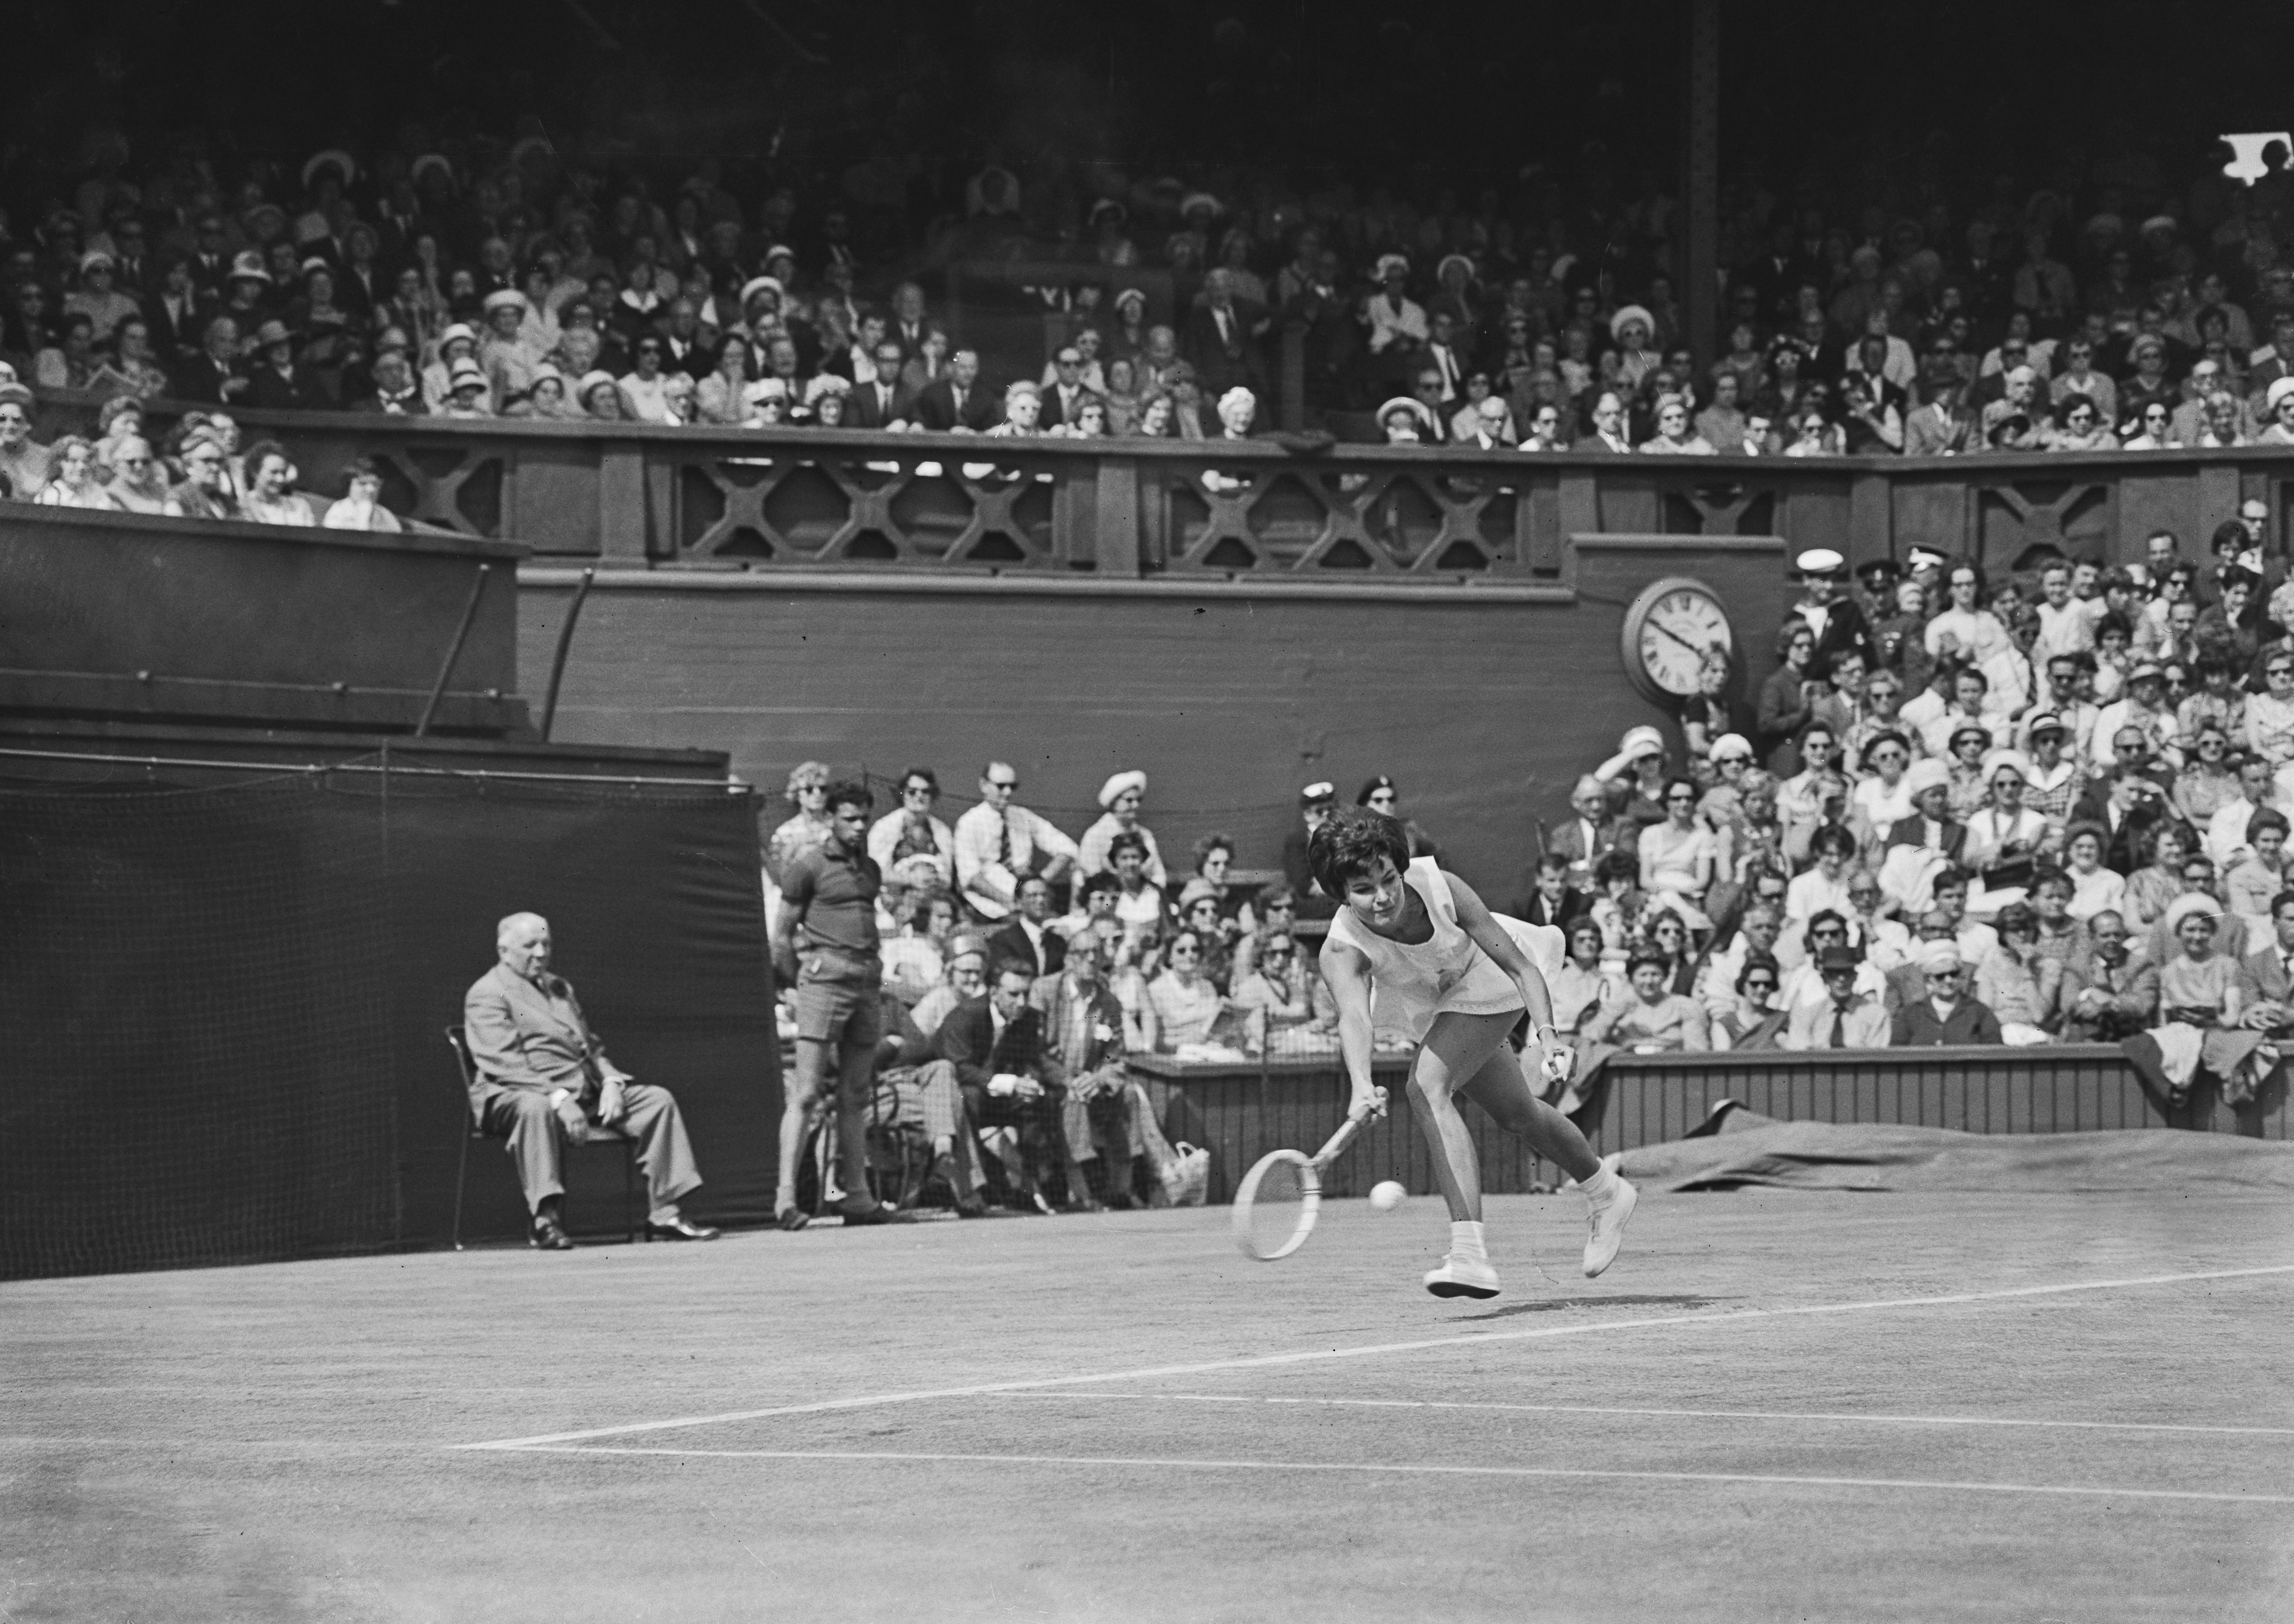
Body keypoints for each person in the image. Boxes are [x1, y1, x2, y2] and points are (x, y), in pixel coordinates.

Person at [1312, 806, 1634, 1300]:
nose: (1383, 897)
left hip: (1490, 979)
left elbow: (1523, 968)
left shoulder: (1443, 887)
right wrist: (1359, 1081)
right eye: (1363, 889)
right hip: (1440, 1003)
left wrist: (1547, 1035)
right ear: (1340, 895)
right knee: (1518, 1114)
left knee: (1426, 1086)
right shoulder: (1341, 950)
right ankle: (1606, 1192)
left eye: (1389, 879)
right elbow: (1354, 1017)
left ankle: (1469, 1254)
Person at [462, 912, 717, 1248]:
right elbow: (504, 1063)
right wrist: (558, 1097)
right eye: (530, 945)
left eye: (546, 943)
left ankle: (666, 1213)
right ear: (503, 951)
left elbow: (591, 1046)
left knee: (656, 1100)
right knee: (535, 1107)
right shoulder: (488, 993)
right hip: (515, 1091)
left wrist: (611, 1081)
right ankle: (545, 1221)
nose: (541, 952)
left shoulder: (559, 988)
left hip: (582, 1089)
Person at [770, 780, 906, 1230]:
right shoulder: (806, 866)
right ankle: (785, 1200)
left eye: (864, 817)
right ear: (830, 819)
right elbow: (782, 937)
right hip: (824, 985)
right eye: (849, 817)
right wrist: (797, 985)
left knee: (855, 1094)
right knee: (806, 1093)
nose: (859, 825)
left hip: (867, 983)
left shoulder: (870, 868)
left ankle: (858, 1198)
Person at [953, 760, 1078, 921]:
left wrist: (1040, 881)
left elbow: (1067, 848)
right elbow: (971, 878)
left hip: (1027, 898)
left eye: (1012, 787)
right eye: (1001, 786)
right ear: (984, 785)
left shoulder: (1022, 817)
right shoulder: (969, 823)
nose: (1007, 792)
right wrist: (1014, 902)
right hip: (989, 903)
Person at [1889, 940, 2004, 1045]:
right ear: (1929, 980)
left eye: (1953, 974)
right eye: (1940, 976)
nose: (1948, 981)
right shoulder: (1912, 1013)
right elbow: (1896, 1051)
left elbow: (1994, 1048)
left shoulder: (1979, 1011)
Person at [1784, 945, 1891, 1049]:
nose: (1841, 979)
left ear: (1856, 977)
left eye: (1847, 973)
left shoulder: (1876, 1014)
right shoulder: (1808, 1015)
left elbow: (1877, 1057)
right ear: (1824, 978)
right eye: (1834, 974)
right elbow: (1800, 1053)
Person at [1077, 769, 1167, 884]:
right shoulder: (1095, 835)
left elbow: (1157, 874)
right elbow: (1091, 873)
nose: (1136, 805)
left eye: (1139, 800)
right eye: (1129, 800)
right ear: (1114, 802)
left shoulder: (1145, 835)